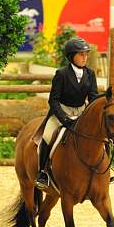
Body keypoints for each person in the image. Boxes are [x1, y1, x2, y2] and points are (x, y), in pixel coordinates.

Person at [35, 37, 99, 190]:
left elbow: (94, 97)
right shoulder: (62, 74)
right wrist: (64, 118)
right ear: (72, 56)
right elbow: (53, 100)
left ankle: (102, 172)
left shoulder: (90, 74)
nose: (85, 57)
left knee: (100, 136)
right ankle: (42, 172)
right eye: (81, 54)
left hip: (81, 112)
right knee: (47, 136)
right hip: (61, 111)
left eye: (86, 54)